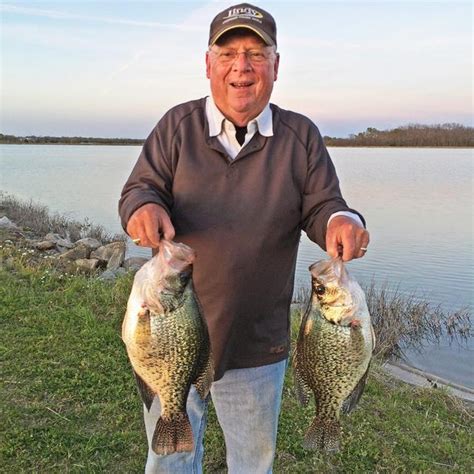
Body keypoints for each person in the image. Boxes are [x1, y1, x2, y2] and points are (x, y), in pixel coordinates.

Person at [119, 3, 370, 473]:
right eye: (229, 52)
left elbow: (324, 205)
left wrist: (342, 219)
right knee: (169, 458)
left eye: (256, 52)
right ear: (208, 63)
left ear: (276, 65)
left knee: (254, 464)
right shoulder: (177, 126)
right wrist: (143, 208)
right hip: (174, 337)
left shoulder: (300, 136)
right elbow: (141, 187)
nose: (242, 66)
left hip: (258, 341)